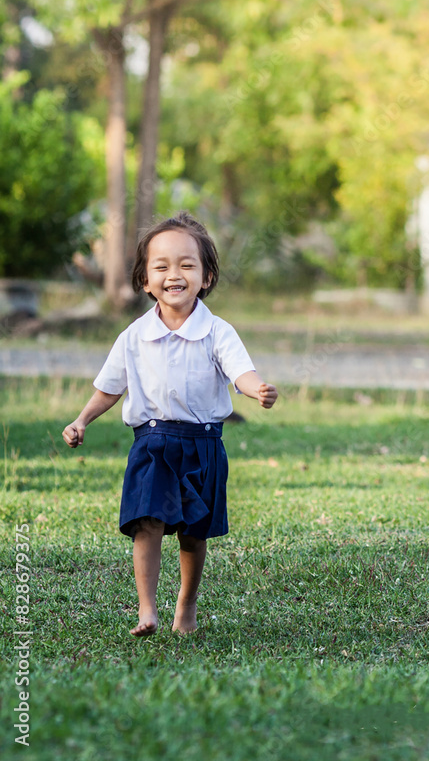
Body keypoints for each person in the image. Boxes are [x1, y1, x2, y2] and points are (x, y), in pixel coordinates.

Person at [62, 212, 278, 636]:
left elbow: (241, 372)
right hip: (152, 443)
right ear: (145, 280)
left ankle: (186, 604)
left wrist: (257, 390)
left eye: (186, 265)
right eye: (161, 266)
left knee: (193, 535)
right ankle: (147, 610)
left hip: (203, 444)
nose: (174, 274)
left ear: (206, 276)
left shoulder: (218, 332)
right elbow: (110, 387)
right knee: (147, 523)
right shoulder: (133, 336)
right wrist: (81, 419)